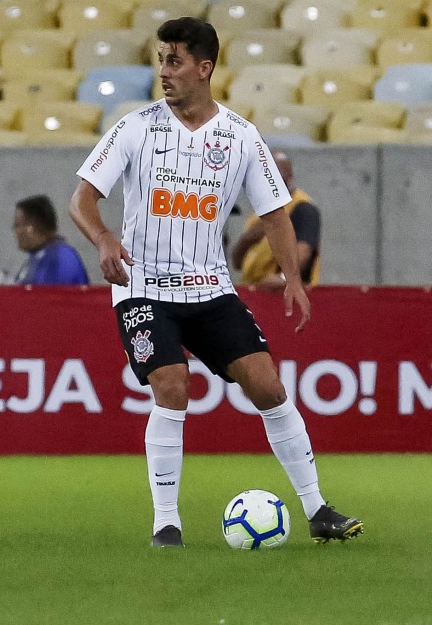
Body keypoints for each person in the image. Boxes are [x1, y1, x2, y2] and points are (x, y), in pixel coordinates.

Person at [69, 17, 362, 548]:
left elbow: (275, 214)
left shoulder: (240, 137)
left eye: (175, 61)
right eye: (161, 60)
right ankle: (166, 523)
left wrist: (293, 280)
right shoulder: (137, 127)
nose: (164, 71)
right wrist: (105, 239)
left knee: (268, 386)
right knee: (172, 384)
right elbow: (83, 198)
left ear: (205, 68)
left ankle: (318, 510)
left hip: (210, 289)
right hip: (144, 287)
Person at [231, 151, 322, 290]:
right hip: (253, 291)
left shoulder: (301, 208)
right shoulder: (259, 213)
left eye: (277, 178)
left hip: (281, 293)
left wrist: (282, 278)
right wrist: (247, 239)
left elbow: (304, 252)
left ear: (290, 177)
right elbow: (237, 263)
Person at [13, 195, 89, 285]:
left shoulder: (61, 260)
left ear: (30, 227)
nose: (15, 232)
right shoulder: (36, 258)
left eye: (17, 225)